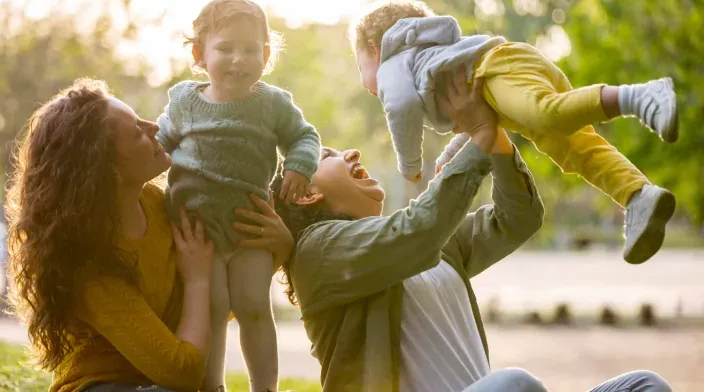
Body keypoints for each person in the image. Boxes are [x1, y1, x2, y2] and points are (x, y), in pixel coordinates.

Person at [234, 72, 673, 392]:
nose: (350, 151)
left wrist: (497, 142)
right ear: (307, 194)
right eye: (329, 154)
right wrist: (479, 137)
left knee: (643, 385)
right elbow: (419, 229)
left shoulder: (426, 242)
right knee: (514, 385)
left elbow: (517, 218)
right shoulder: (318, 253)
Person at [350, 0, 676, 264]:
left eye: (359, 64)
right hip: (503, 77)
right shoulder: (436, 65)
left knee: (548, 115)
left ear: (374, 48)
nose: (364, 79)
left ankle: (640, 96)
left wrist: (409, 164)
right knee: (572, 148)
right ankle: (636, 195)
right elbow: (478, 116)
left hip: (498, 68)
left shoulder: (394, 63)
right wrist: (452, 153)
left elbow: (401, 106)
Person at [5, 78, 218, 392]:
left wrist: (278, 245)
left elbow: (213, 311)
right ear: (110, 170)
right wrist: (199, 279)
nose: (154, 128)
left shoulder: (159, 204)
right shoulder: (88, 263)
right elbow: (182, 374)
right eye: (136, 132)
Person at [156, 0, 322, 391]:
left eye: (250, 50)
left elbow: (304, 136)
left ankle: (264, 387)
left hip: (250, 226)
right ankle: (211, 385)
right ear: (199, 55)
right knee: (212, 309)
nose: (238, 59)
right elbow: (159, 141)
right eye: (225, 48)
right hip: (200, 229)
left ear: (266, 55)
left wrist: (299, 165)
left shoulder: (271, 103)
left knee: (254, 308)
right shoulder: (183, 101)